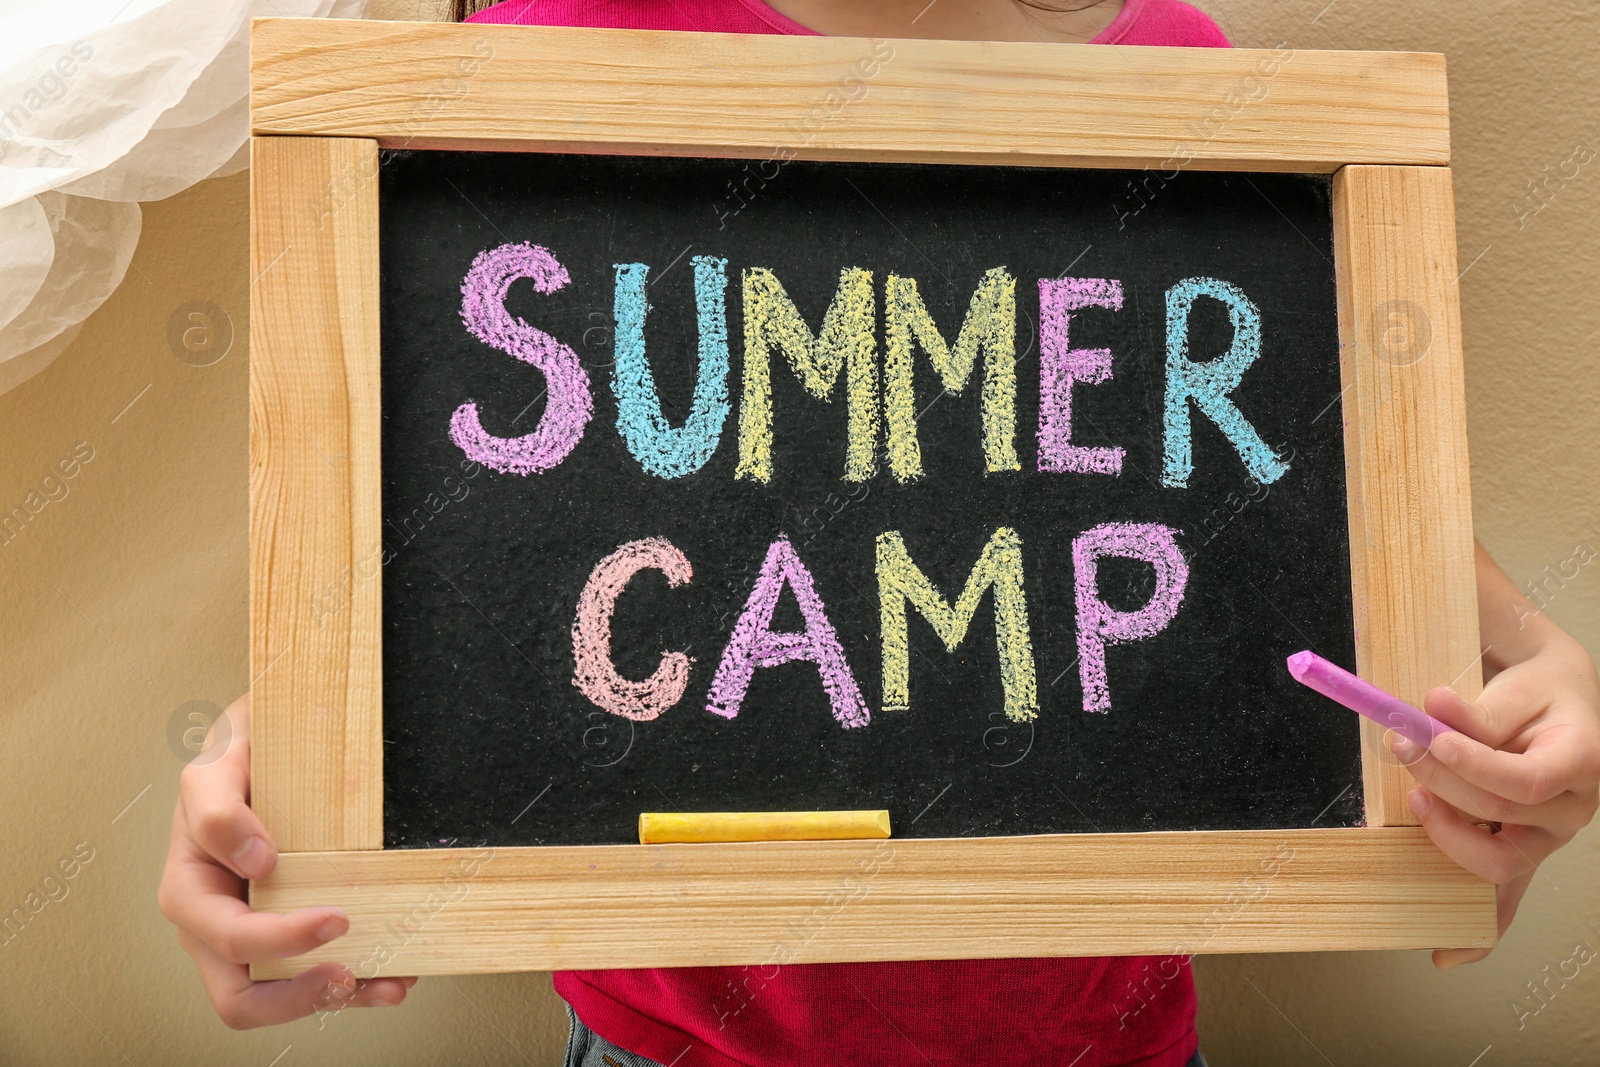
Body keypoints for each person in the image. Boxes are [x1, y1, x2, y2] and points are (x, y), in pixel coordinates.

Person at [159, 2, 1600, 1064]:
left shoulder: (1188, 87)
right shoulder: (559, 50)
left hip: (1108, 1047)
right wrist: (274, 782)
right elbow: (459, 543)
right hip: (677, 1051)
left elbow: (1303, 496)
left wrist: (1532, 666)